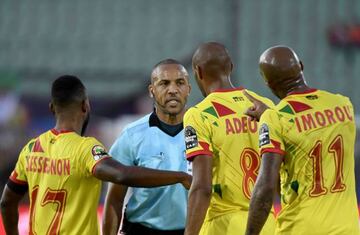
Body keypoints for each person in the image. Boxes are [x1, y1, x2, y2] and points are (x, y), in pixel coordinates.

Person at [0, 75, 191, 235]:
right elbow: (121, 175)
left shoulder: (32, 149)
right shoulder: (85, 148)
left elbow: (7, 202)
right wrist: (179, 176)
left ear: (52, 108)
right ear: (85, 106)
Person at [244, 46, 360, 235]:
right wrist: (271, 116)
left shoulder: (276, 119)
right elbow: (314, 130)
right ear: (301, 66)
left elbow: (266, 187)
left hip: (301, 228)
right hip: (347, 228)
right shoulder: (343, 105)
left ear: (268, 84)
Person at [183, 42, 276, 235]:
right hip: (267, 223)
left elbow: (202, 188)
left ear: (198, 72)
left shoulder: (199, 115)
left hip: (223, 224)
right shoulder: (265, 106)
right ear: (231, 67)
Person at [102, 59, 191, 235]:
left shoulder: (204, 131)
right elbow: (114, 198)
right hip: (141, 229)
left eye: (180, 83)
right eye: (164, 83)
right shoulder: (132, 134)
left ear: (188, 89)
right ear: (152, 91)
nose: (172, 90)